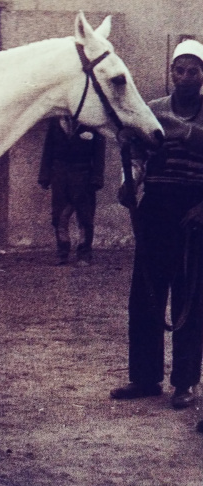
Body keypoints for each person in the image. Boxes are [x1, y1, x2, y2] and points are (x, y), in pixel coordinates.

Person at [110, 39, 203, 409]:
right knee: (146, 296)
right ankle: (145, 378)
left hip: (194, 215)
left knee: (190, 300)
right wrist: (127, 182)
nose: (183, 77)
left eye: (192, 70)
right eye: (178, 70)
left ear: (202, 75)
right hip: (156, 210)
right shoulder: (152, 111)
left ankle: (184, 383)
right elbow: (136, 157)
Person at [38, 117, 106, 265]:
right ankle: (62, 252)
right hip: (60, 177)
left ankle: (84, 254)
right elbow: (48, 149)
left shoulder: (92, 122)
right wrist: (45, 176)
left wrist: (97, 178)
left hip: (84, 176)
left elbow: (99, 153)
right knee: (59, 217)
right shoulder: (56, 122)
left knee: (85, 217)